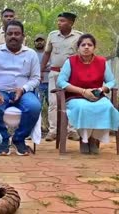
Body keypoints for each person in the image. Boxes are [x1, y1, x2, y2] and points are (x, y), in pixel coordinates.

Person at [0, 20, 41, 156]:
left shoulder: (31, 54)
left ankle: (19, 139)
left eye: (17, 33)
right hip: (0, 91)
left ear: (23, 36)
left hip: (23, 92)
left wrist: (23, 89)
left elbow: (36, 78)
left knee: (34, 107)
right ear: (5, 36)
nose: (13, 36)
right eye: (10, 33)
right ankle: (3, 139)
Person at [57, 34, 119, 154]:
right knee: (83, 107)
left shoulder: (101, 62)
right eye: (83, 45)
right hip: (75, 96)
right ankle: (84, 140)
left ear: (94, 47)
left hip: (96, 96)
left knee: (106, 107)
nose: (86, 47)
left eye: (89, 45)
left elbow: (111, 81)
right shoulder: (70, 61)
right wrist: (83, 91)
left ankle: (93, 140)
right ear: (78, 48)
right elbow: (61, 82)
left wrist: (102, 89)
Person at [41, 12, 83, 142]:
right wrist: (41, 71)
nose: (59, 23)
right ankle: (53, 131)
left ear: (70, 23)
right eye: (58, 21)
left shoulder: (79, 36)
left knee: (73, 101)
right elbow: (47, 53)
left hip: (73, 74)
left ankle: (73, 130)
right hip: (55, 73)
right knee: (53, 102)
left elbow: (83, 55)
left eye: (62, 21)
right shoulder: (52, 35)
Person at [34, 34, 49, 104]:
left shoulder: (49, 53)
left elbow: (52, 67)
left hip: (50, 82)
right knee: (38, 104)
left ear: (45, 42)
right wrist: (44, 67)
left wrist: (39, 68)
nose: (39, 42)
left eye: (41, 40)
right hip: (38, 84)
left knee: (52, 105)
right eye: (37, 41)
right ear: (34, 42)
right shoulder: (32, 54)